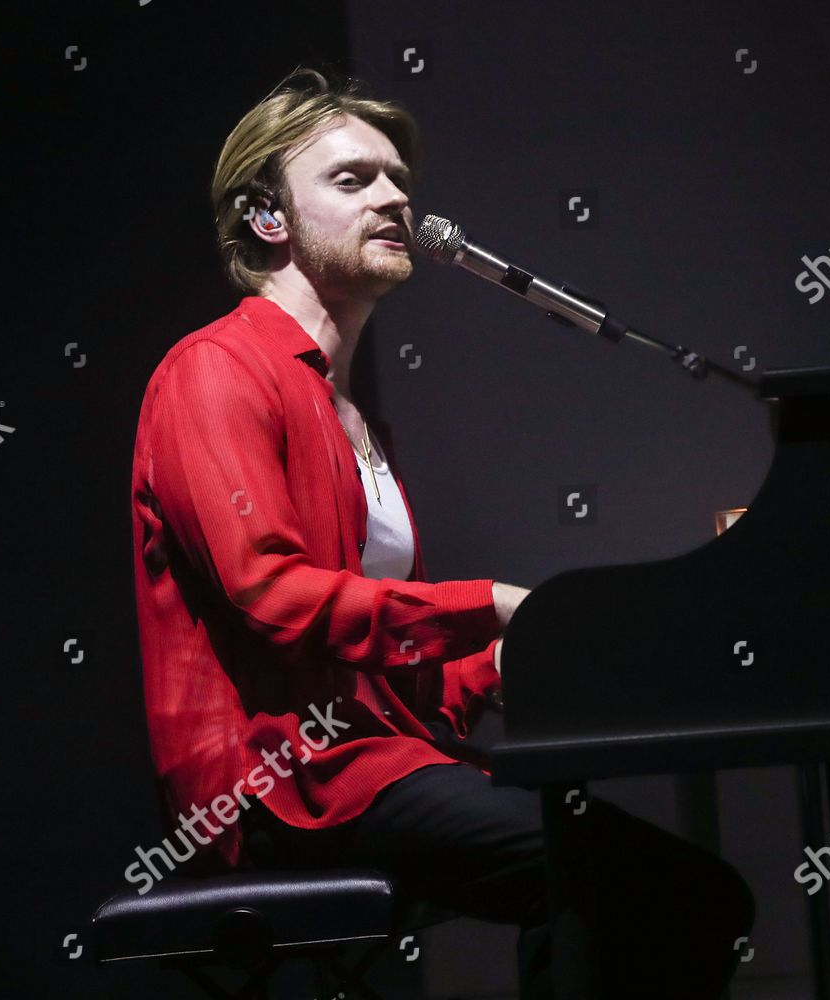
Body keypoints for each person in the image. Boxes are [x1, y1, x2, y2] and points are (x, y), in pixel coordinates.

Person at [129, 67, 753, 998]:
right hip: (280, 789)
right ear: (268, 219)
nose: (396, 199)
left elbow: (387, 678)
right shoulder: (213, 373)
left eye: (396, 179)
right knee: (649, 885)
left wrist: (510, 661)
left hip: (370, 762)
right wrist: (493, 605)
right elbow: (274, 596)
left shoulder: (345, 414)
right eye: (352, 180)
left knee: (682, 890)